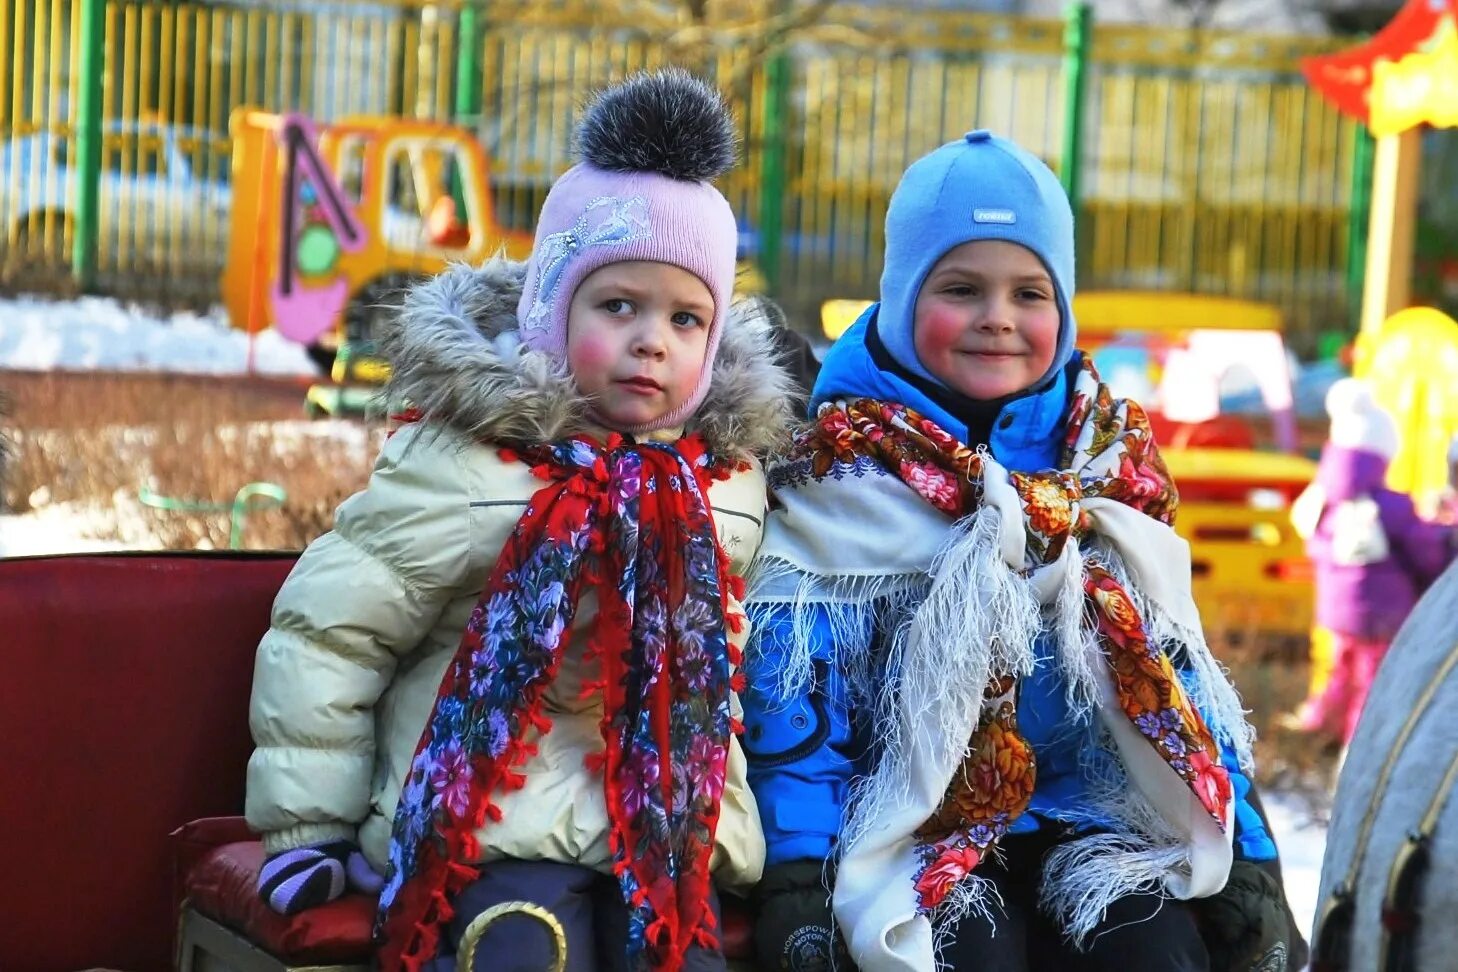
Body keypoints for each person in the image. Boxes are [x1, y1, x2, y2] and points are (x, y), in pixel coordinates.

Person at [244, 70, 796, 972]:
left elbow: (742, 668)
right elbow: (330, 636)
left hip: (663, 830)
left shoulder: (724, 484)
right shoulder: (467, 464)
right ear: (550, 311)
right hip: (490, 822)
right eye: (618, 305)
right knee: (516, 951)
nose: (652, 339)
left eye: (686, 317)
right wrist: (307, 828)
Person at [741, 130, 1301, 971]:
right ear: (899, 300)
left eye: (1029, 293)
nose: (997, 318)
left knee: (1157, 952)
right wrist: (795, 878)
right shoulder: (838, 474)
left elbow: (1180, 686)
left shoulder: (1104, 469)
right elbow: (798, 706)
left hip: (1092, 820)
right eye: (961, 288)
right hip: (903, 828)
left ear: (1064, 309)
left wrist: (1249, 856)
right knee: (962, 952)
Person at [1287, 378, 1454, 746]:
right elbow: (1426, 554)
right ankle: (1359, 743)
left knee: (1340, 670)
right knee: (1372, 681)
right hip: (1379, 614)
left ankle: (1317, 726)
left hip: (1335, 610)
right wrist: (1445, 532)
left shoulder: (1321, 498)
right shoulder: (1391, 505)